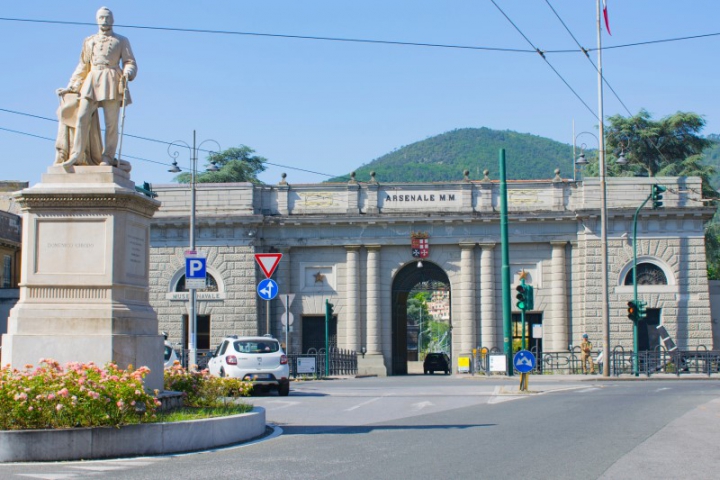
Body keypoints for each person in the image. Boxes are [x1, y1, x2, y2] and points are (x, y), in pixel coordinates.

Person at [56, 7, 136, 170]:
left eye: (107, 17)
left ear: (112, 20)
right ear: (96, 20)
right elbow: (83, 65)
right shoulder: (89, 40)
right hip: (92, 79)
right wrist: (71, 85)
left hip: (112, 78)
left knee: (111, 123)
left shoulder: (121, 40)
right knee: (82, 116)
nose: (104, 20)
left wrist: (128, 72)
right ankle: (76, 154)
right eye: (101, 17)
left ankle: (107, 156)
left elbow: (130, 62)